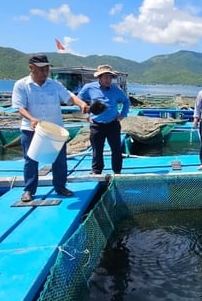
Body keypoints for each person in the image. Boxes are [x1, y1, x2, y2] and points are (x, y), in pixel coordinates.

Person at [12, 53, 88, 203]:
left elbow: (69, 97)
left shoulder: (54, 84)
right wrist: (32, 119)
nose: (44, 72)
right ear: (31, 68)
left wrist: (81, 103)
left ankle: (60, 186)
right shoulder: (21, 85)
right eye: (41, 69)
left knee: (60, 160)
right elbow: (20, 107)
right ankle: (29, 190)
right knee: (30, 160)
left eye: (46, 69)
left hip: (55, 130)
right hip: (31, 129)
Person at [78, 64, 130, 175]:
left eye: (110, 77)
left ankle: (117, 171)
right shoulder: (89, 87)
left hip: (113, 124)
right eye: (105, 77)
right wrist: (86, 115)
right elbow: (79, 100)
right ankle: (96, 171)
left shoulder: (116, 90)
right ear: (99, 77)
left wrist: (122, 114)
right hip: (96, 124)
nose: (108, 80)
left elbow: (126, 101)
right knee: (97, 150)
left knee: (116, 149)